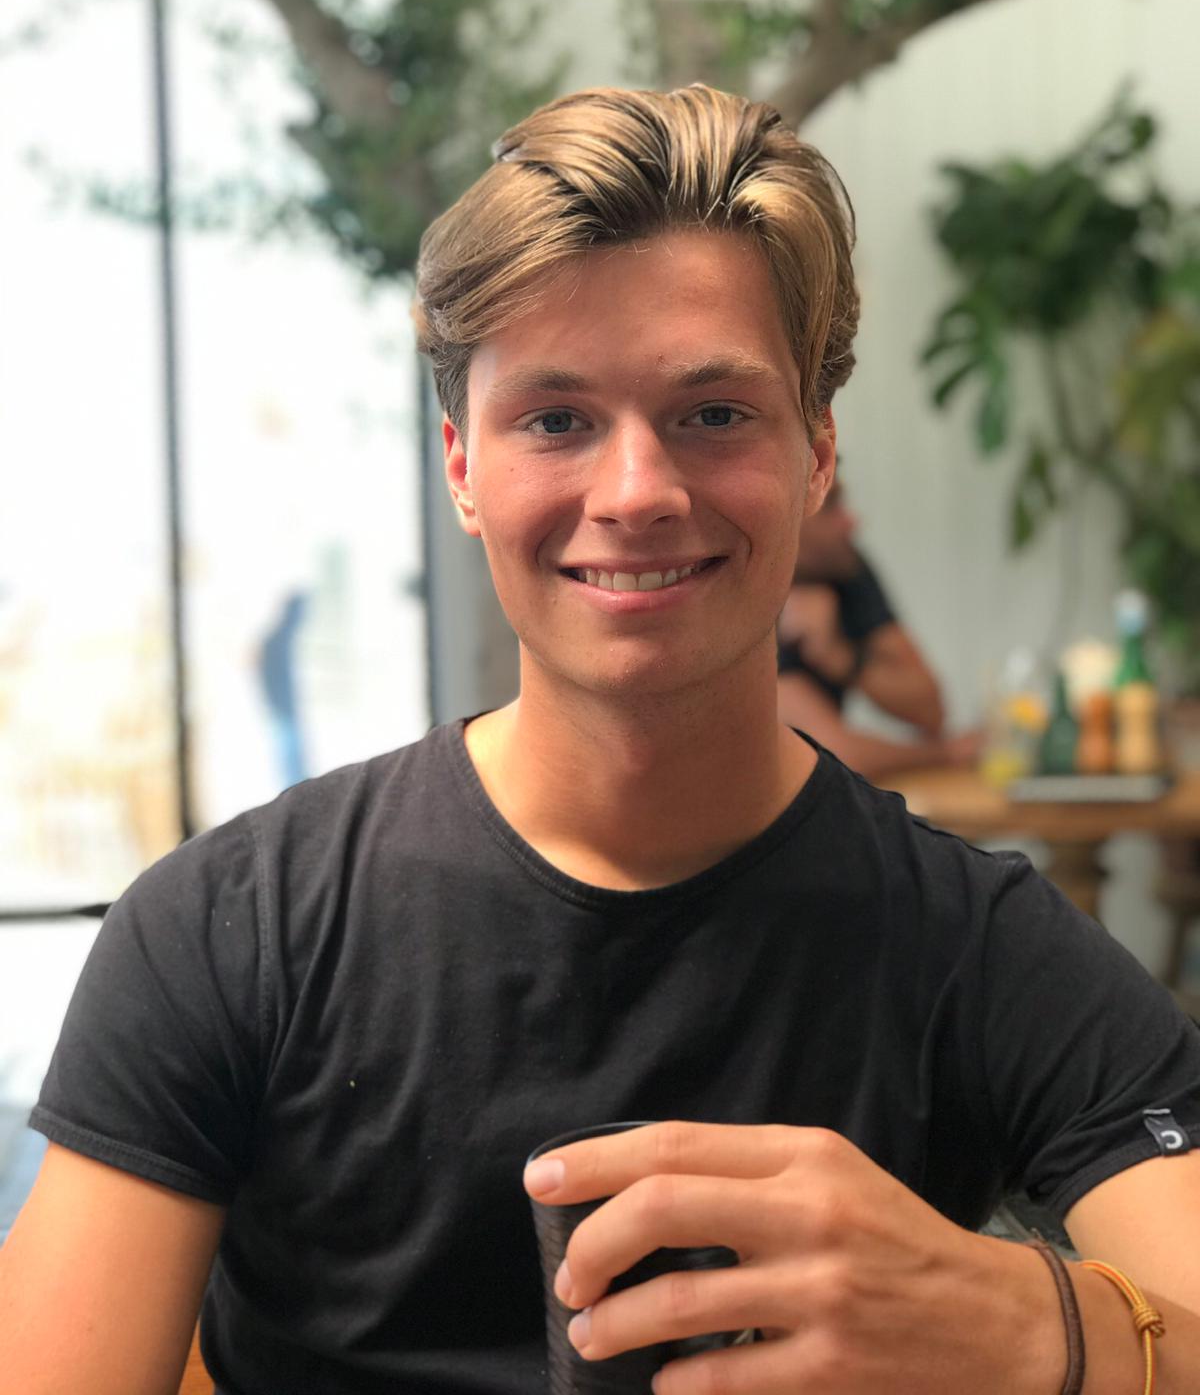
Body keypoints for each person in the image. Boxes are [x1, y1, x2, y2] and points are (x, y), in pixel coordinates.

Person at [1, 85, 1198, 1395]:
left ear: (815, 456)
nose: (637, 492)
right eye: (557, 420)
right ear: (462, 465)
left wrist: (1025, 1322)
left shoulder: (977, 952)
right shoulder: (235, 933)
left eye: (715, 413)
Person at [776, 477, 983, 779]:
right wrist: (944, 753)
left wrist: (839, 657)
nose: (851, 521)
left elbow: (930, 709)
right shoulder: (751, 593)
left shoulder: (842, 565)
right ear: (784, 518)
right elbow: (827, 755)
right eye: (830, 505)